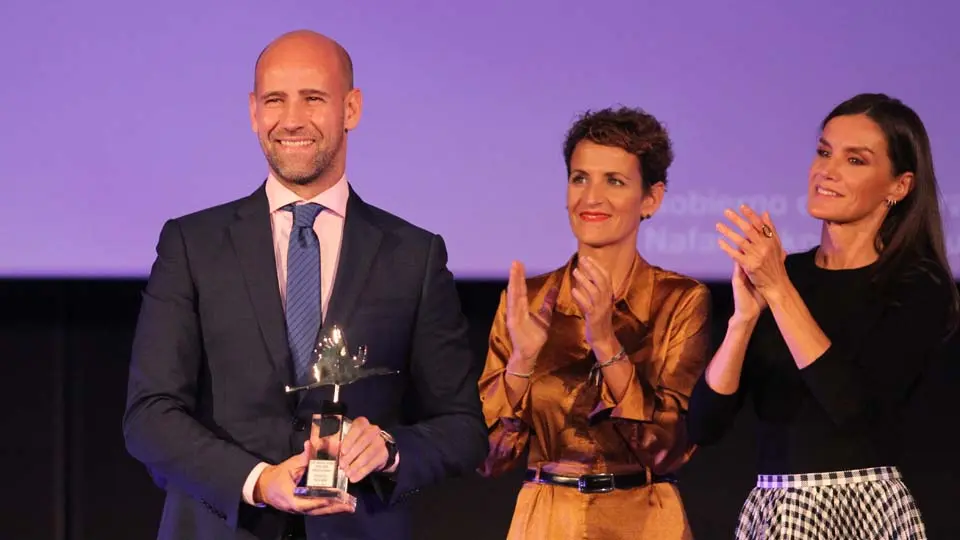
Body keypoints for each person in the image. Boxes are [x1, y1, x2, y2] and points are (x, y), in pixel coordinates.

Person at [122, 30, 487, 540]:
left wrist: (389, 448)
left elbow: (463, 428)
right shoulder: (192, 244)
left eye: (313, 98)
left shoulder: (414, 255)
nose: (291, 119)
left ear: (351, 109)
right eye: (275, 100)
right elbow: (150, 415)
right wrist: (257, 481)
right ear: (253, 111)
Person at [688, 93, 960, 539]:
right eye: (823, 152)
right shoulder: (786, 275)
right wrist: (742, 321)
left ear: (899, 186)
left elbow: (852, 407)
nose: (826, 170)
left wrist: (779, 291)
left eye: (855, 160)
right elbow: (705, 426)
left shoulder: (916, 285)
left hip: (863, 509)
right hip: (775, 509)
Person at [477, 107, 712, 539]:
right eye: (579, 178)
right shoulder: (525, 301)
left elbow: (670, 448)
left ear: (651, 198)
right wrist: (522, 362)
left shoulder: (680, 301)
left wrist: (606, 343)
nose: (591, 197)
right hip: (546, 521)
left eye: (615, 181)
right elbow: (489, 458)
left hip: (643, 520)